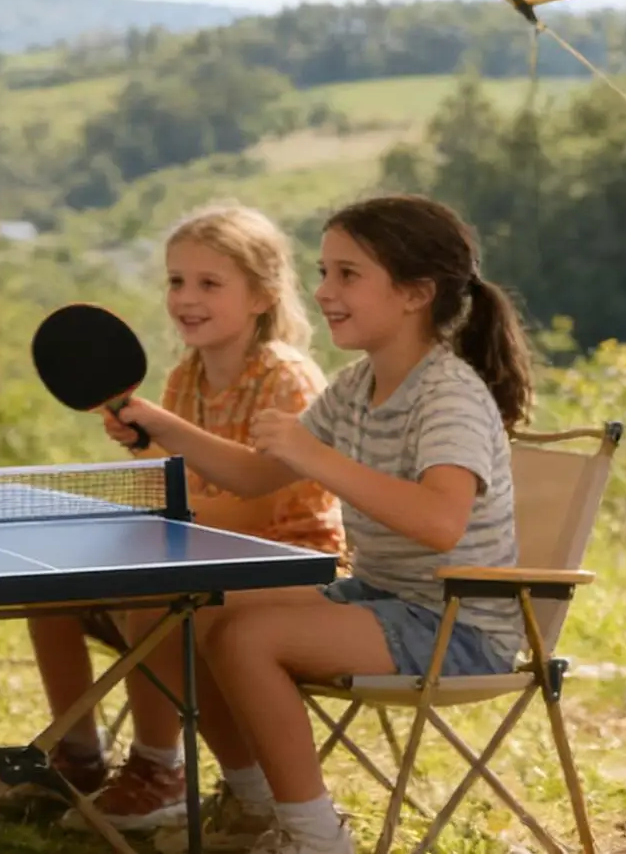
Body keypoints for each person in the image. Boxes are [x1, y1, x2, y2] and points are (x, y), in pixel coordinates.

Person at [106, 194, 532, 854]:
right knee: (191, 610)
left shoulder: (446, 393)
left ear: (416, 292)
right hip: (382, 597)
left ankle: (314, 836)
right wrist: (155, 424)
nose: (323, 290)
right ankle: (252, 805)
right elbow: (253, 473)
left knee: (248, 638)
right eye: (323, 270)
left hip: (458, 625)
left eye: (346, 274)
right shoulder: (357, 383)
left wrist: (316, 457)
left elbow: (439, 521)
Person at [26, 203, 343, 831]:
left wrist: (162, 492)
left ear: (262, 295)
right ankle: (80, 756)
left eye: (209, 283)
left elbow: (260, 504)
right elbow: (178, 486)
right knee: (49, 589)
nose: (186, 298)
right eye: (176, 281)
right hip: (206, 555)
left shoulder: (289, 379)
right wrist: (147, 449)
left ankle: (159, 768)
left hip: (294, 561)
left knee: (154, 595)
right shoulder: (185, 378)